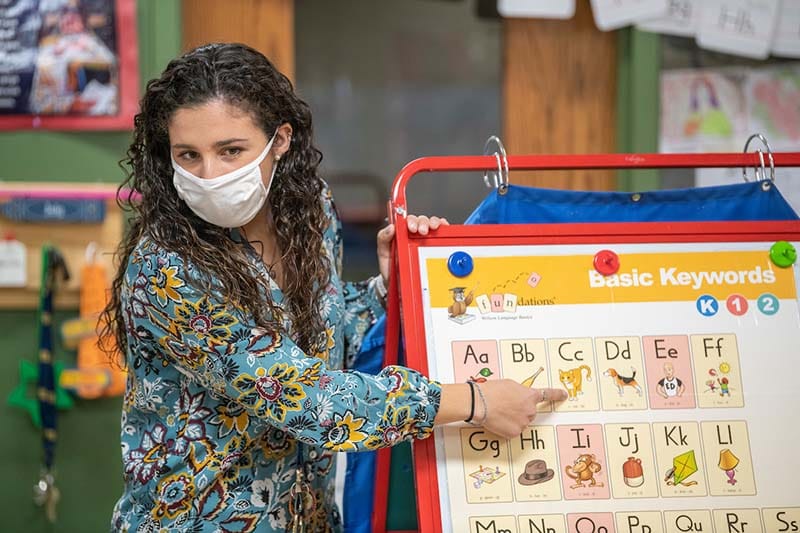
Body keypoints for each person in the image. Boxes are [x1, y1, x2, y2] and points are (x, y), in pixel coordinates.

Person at [102, 42, 565, 532]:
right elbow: (306, 399)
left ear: (279, 140)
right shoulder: (165, 269)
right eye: (188, 155)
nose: (210, 176)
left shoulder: (310, 210)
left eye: (231, 150)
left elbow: (321, 329)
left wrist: (388, 290)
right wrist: (474, 403)